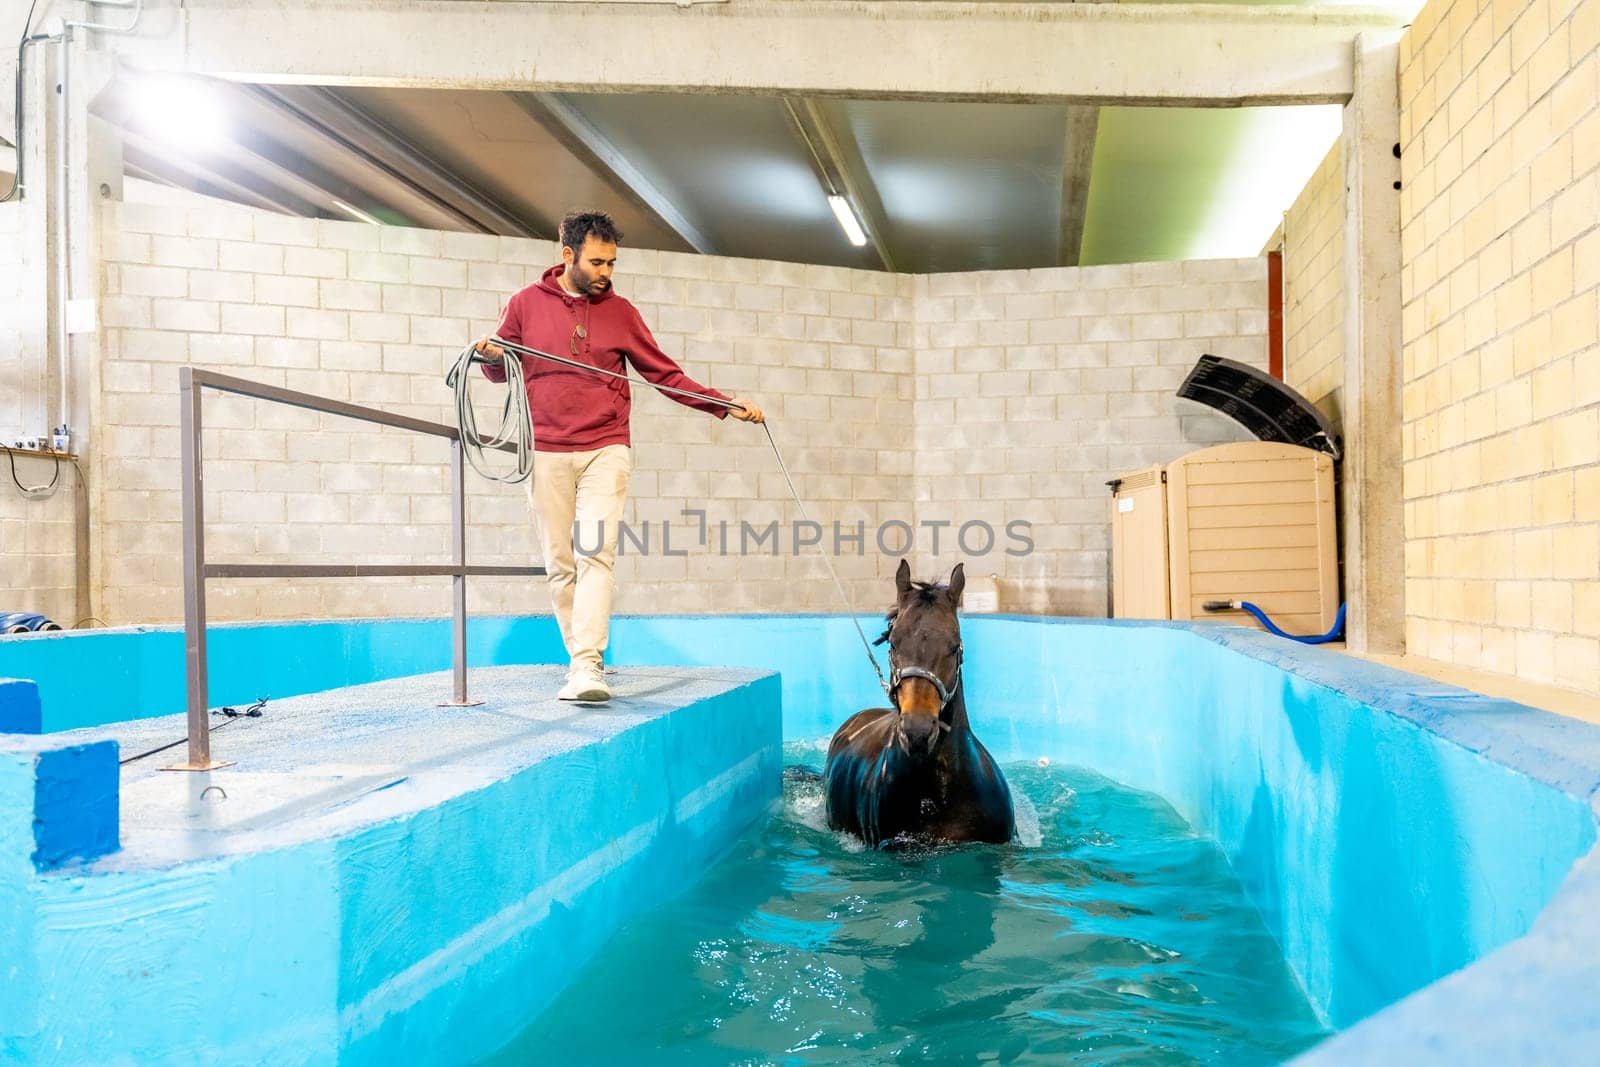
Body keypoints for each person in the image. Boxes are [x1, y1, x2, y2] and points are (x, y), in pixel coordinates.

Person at [475, 210, 764, 703]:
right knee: (560, 563)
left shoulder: (622, 312)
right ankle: (579, 660)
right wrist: (490, 355)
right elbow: (499, 372)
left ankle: (588, 666)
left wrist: (723, 403)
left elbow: (664, 374)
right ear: (567, 256)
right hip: (546, 450)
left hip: (605, 448)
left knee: (596, 555)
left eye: (612, 263)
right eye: (597, 262)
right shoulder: (524, 304)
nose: (606, 272)